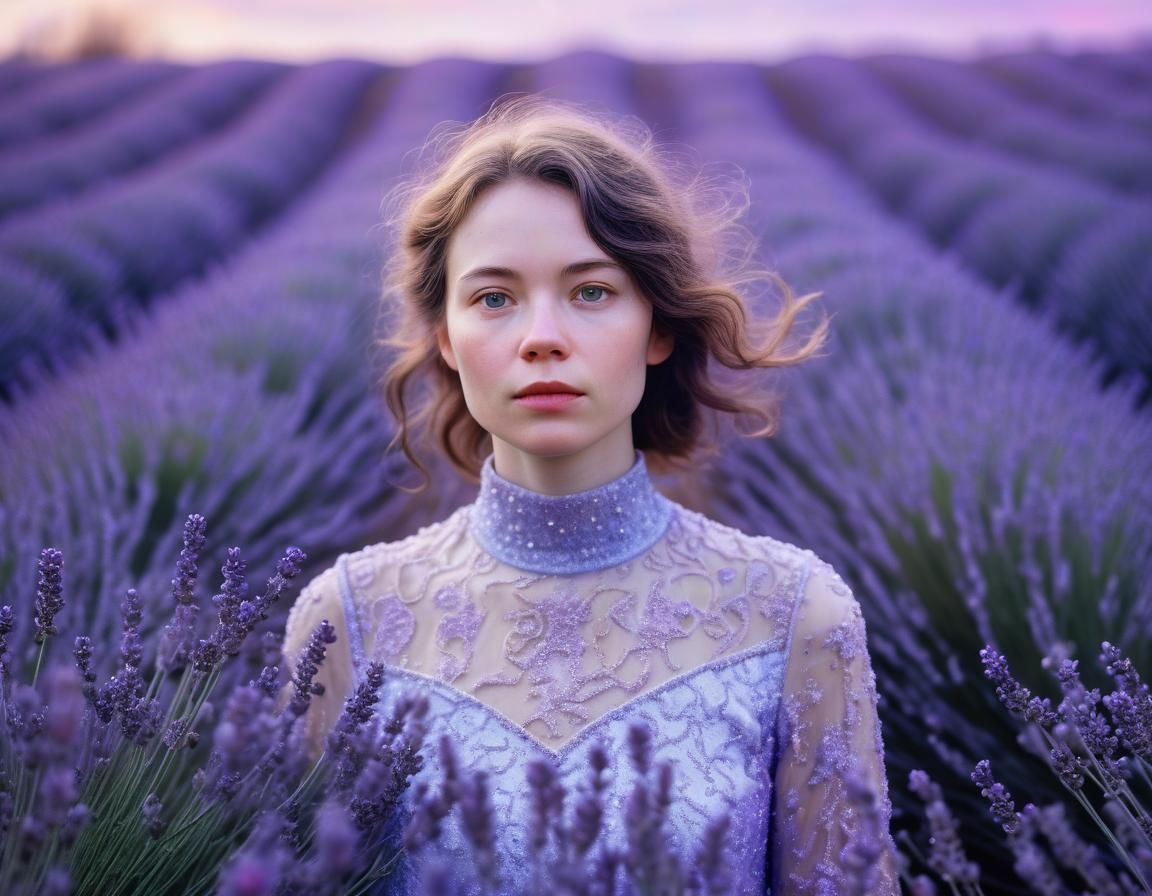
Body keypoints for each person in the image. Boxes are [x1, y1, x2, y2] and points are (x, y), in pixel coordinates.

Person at [283, 95, 898, 894]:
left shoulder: (794, 615)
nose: (542, 335)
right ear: (445, 335)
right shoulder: (347, 622)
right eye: (494, 297)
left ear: (658, 326)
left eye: (592, 291)